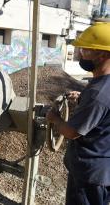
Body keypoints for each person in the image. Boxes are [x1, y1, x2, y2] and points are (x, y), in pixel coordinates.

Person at [46, 22, 110, 205]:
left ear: (103, 54)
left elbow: (72, 132)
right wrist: (83, 99)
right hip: (104, 167)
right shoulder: (101, 86)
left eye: (85, 49)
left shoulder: (98, 93)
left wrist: (55, 119)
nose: (80, 53)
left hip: (91, 173)